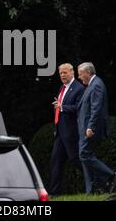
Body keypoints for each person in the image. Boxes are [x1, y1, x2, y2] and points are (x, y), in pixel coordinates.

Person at [77, 62, 116, 194]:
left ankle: (112, 176)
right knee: (86, 155)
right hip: (86, 128)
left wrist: (91, 127)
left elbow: (96, 108)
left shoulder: (96, 85)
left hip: (91, 128)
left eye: (80, 74)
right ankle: (93, 189)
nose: (79, 77)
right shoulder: (92, 85)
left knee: (84, 154)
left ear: (88, 73)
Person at [48, 63, 85, 195]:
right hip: (60, 132)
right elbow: (59, 107)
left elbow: (79, 108)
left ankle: (99, 181)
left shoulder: (79, 88)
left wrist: (62, 107)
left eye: (65, 73)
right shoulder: (62, 87)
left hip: (71, 132)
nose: (62, 75)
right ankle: (54, 192)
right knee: (56, 160)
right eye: (60, 73)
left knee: (77, 160)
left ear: (72, 72)